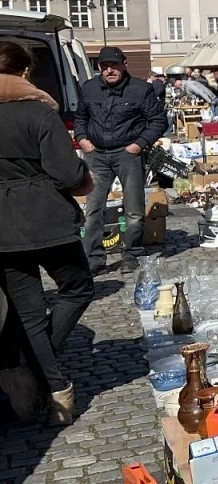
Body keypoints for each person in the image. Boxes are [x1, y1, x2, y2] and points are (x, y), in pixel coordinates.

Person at [0, 41, 97, 425]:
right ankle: (43, 373)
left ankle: (53, 386)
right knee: (78, 287)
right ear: (24, 73)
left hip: (3, 228)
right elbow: (69, 174)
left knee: (26, 312)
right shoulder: (38, 113)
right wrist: (84, 180)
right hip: (45, 218)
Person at [75, 46, 165, 275]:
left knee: (133, 209)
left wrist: (139, 144)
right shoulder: (89, 88)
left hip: (128, 154)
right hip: (96, 154)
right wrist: (82, 138)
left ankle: (132, 253)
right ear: (99, 68)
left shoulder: (140, 89)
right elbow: (81, 117)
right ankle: (94, 257)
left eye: (114, 65)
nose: (109, 70)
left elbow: (158, 120)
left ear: (124, 64)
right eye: (105, 66)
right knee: (94, 208)